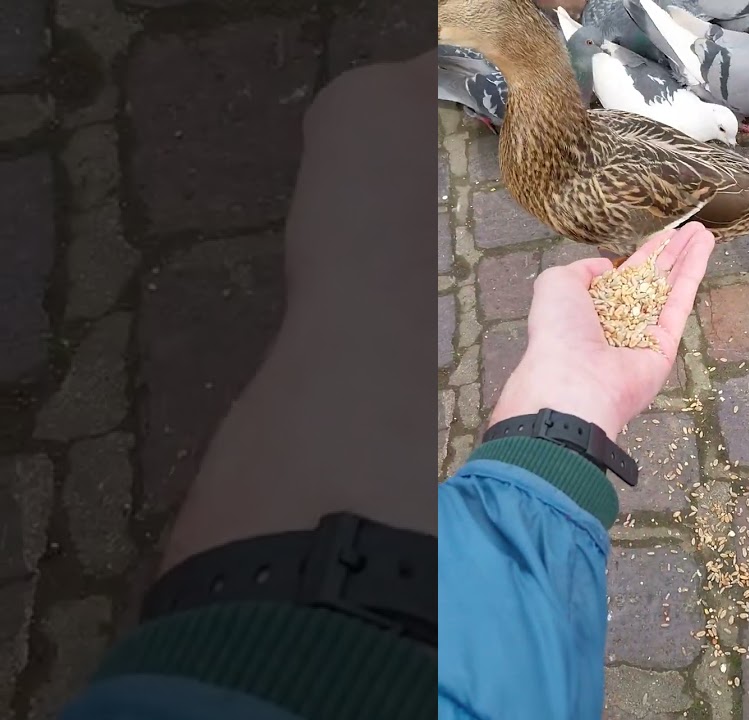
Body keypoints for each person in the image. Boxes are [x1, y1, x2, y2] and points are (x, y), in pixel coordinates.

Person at [54, 49, 715, 720]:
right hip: (283, 623)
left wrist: (558, 422)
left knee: (365, 127)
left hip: (235, 642)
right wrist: (561, 426)